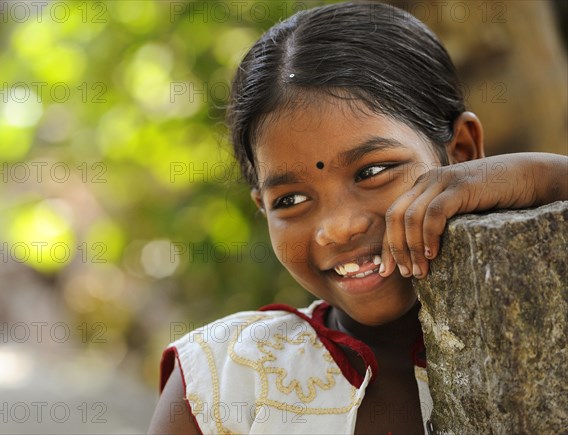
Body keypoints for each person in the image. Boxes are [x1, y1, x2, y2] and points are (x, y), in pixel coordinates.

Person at [148, 2, 567, 434]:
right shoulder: (222, 381)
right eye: (290, 200)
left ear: (461, 152)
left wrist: (550, 177)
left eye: (372, 172)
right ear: (262, 209)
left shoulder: (544, 325)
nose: (339, 227)